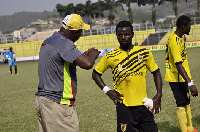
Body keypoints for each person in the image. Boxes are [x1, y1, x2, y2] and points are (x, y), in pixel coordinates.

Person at [92, 20, 162, 132]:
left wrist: (158, 94)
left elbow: (156, 71)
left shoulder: (144, 53)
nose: (123, 37)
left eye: (127, 34)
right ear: (117, 36)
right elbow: (95, 74)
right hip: (124, 107)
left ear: (132, 35)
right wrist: (107, 90)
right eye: (120, 35)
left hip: (143, 106)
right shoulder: (110, 56)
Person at [35, 14, 100, 132]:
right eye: (80, 32)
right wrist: (93, 55)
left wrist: (82, 56)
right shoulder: (64, 43)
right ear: (75, 32)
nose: (80, 35)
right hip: (58, 104)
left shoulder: (50, 40)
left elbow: (60, 62)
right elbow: (87, 64)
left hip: (43, 101)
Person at [165, 15, 198, 132]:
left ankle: (190, 128)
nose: (190, 28)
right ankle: (184, 130)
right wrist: (190, 84)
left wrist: (189, 81)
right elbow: (178, 64)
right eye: (189, 26)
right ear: (183, 27)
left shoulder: (180, 39)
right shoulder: (174, 41)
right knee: (181, 103)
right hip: (176, 77)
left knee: (187, 101)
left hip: (183, 77)